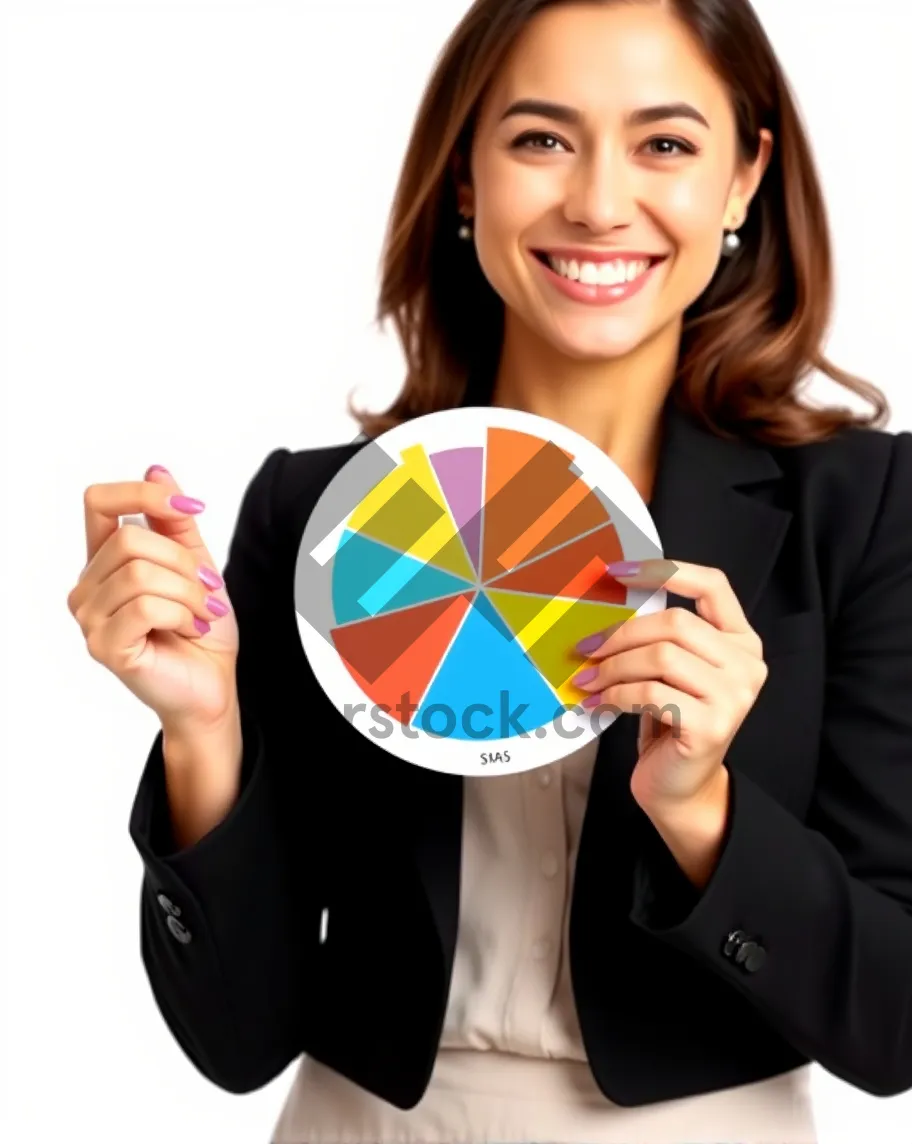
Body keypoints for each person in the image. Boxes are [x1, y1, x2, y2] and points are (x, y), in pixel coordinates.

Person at [67, 0, 912, 1141]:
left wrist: (703, 810)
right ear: (464, 175)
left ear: (745, 181)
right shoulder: (326, 520)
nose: (600, 202)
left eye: (665, 142)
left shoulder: (861, 513)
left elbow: (892, 1025)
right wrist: (204, 733)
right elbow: (236, 1039)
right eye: (540, 139)